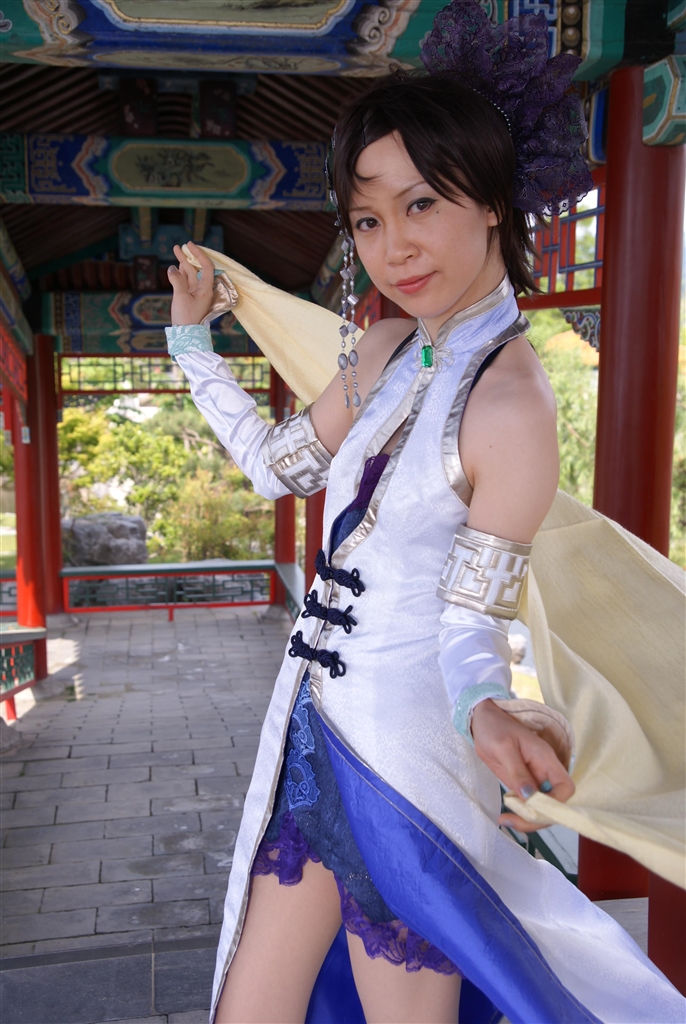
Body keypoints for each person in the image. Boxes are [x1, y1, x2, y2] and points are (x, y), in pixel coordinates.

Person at [165, 4, 685, 1022]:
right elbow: (278, 467)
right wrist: (193, 349)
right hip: (309, 735)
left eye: (422, 205)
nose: (393, 247)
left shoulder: (511, 403)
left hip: (404, 769)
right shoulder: (382, 349)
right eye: (367, 220)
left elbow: (471, 616)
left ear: (489, 201)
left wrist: (483, 704)